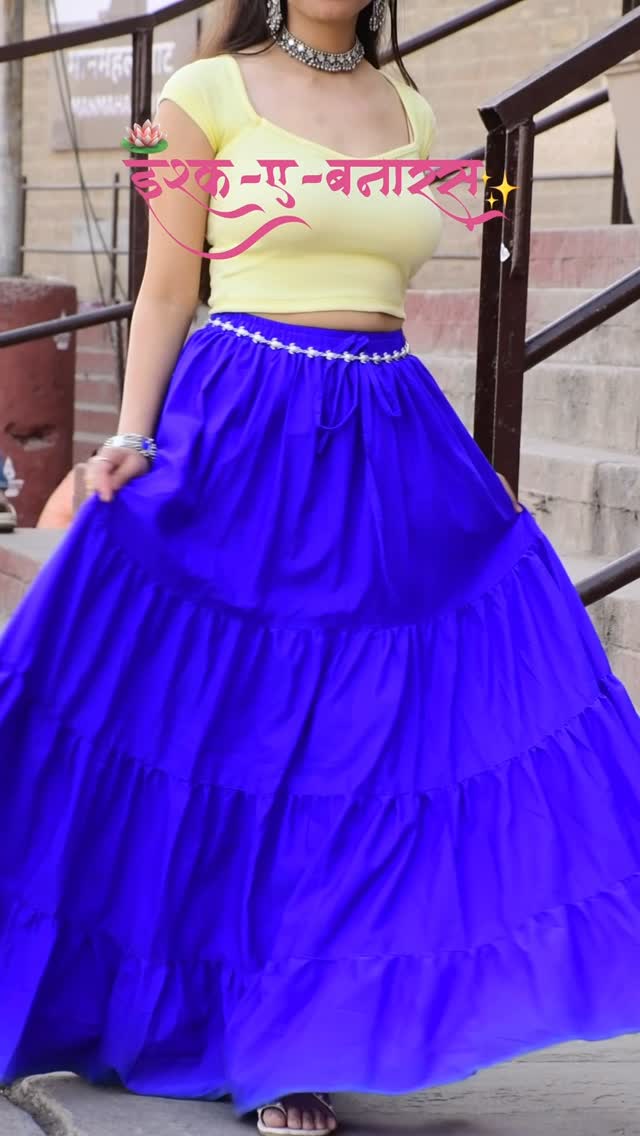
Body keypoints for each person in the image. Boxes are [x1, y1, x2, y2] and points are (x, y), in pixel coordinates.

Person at [1, 2, 640, 1134]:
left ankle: (306, 1024)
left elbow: (422, 254)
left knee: (361, 740)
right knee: (253, 733)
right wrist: (133, 435)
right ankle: (259, 1033)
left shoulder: (411, 105)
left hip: (387, 434)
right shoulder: (201, 96)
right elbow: (168, 288)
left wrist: (463, 476)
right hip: (245, 430)